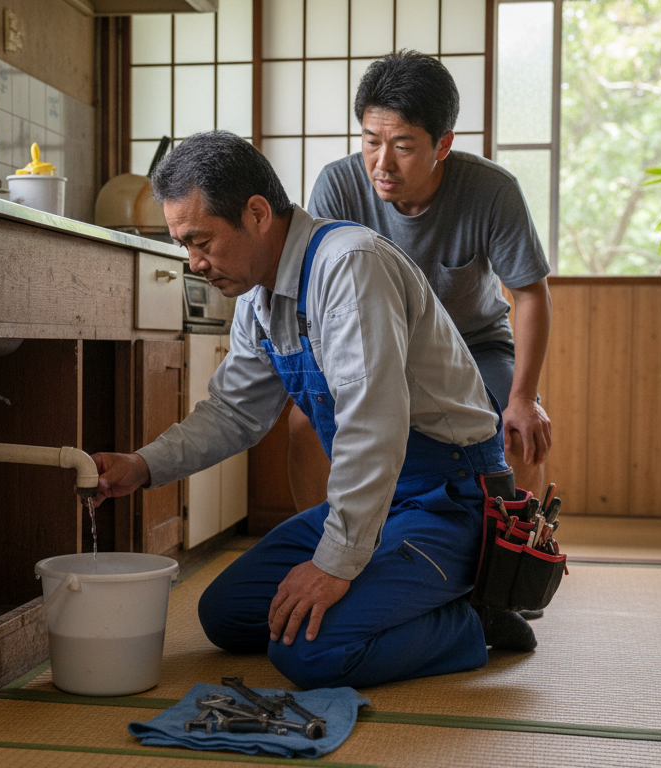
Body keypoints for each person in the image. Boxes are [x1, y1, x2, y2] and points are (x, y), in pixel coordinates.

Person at [86, 131, 536, 692]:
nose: (195, 262)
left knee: (309, 651)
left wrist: (333, 565)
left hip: (449, 500)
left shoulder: (349, 266)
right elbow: (233, 413)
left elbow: (372, 429)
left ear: (256, 213)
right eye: (184, 245)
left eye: (201, 241)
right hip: (383, 497)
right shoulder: (257, 295)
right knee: (227, 615)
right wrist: (142, 465)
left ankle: (476, 618)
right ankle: (403, 590)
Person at [289, 50, 554, 514]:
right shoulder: (338, 186)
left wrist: (523, 399)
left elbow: (530, 294)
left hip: (474, 346)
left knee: (518, 432)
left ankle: (515, 552)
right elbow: (317, 296)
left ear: (442, 144)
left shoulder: (492, 190)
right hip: (370, 347)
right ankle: (320, 546)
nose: (382, 163)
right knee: (303, 425)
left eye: (403, 147)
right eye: (371, 141)